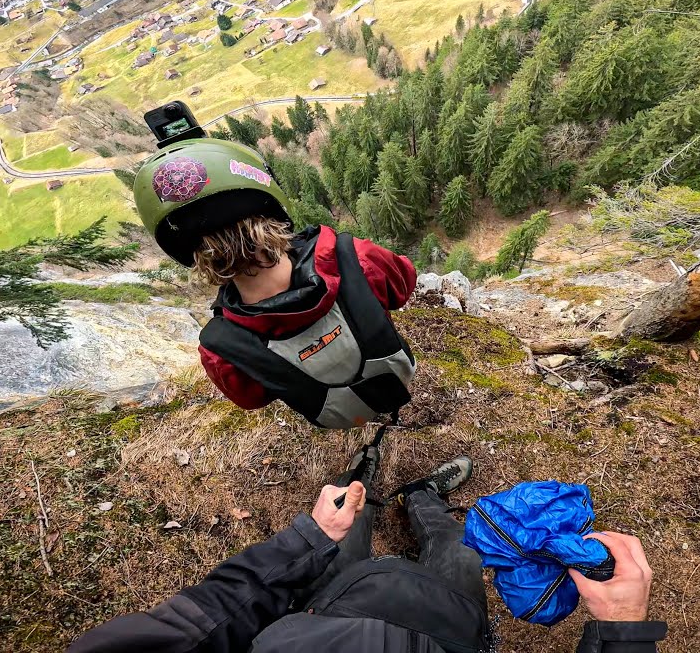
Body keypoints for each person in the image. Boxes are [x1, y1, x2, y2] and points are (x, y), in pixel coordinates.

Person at [69, 449, 668, 653]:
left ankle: (376, 491)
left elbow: (209, 615)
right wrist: (620, 629)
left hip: (322, 610)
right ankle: (419, 499)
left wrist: (309, 536)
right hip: (448, 630)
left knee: (343, 531)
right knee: (456, 553)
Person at [133, 102, 417, 430]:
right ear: (270, 206)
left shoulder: (221, 348)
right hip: (397, 375)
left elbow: (253, 398)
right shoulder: (354, 257)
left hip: (335, 417)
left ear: (188, 251)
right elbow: (403, 284)